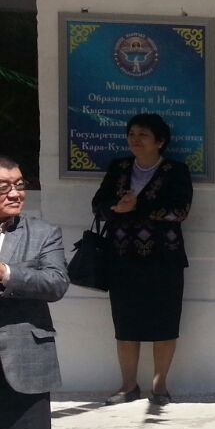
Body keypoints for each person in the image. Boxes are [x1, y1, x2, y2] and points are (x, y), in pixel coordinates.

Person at [0, 157, 69, 429]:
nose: (15, 193)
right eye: (4, 186)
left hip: (24, 359)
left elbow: (56, 283)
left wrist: (7, 273)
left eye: (20, 184)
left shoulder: (42, 233)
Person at [91, 113, 192, 406]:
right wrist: (116, 208)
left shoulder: (176, 171)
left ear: (160, 141)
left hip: (164, 258)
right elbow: (98, 204)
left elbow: (180, 211)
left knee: (165, 322)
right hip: (122, 257)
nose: (135, 139)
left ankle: (160, 387)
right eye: (132, 134)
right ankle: (128, 386)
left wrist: (138, 206)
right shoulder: (119, 167)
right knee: (125, 323)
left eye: (143, 134)